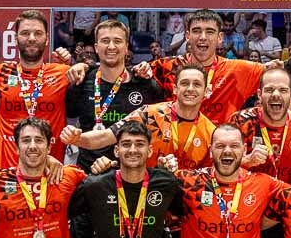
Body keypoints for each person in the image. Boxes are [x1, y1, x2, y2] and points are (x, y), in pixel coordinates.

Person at [138, 9, 291, 123]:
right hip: (173, 155)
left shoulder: (238, 70)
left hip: (219, 158)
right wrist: (141, 73)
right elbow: (125, 80)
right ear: (187, 36)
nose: (203, 37)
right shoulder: (165, 66)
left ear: (220, 38)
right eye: (196, 31)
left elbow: (290, 70)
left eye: (210, 32)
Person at [0, 10, 80, 165]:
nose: (31, 38)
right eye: (25, 33)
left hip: (50, 174)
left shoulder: (63, 73)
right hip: (7, 174)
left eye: (38, 33)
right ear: (16, 39)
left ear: (46, 39)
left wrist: (81, 65)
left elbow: (95, 76)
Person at [65, 63, 215, 171]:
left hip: (186, 205)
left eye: (196, 84)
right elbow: (105, 137)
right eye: (184, 83)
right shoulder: (150, 114)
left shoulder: (211, 133)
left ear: (207, 91)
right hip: (146, 198)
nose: (190, 89)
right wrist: (76, 139)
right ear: (175, 89)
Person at [61, 17, 164, 173]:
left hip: (131, 175)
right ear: (96, 47)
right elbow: (69, 123)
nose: (111, 46)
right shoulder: (80, 83)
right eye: (105, 41)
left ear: (126, 46)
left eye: (117, 41)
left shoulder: (146, 85)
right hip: (87, 174)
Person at [231, 68, 291, 184]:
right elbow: (220, 165)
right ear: (259, 95)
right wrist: (247, 160)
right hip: (250, 196)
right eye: (269, 90)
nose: (275, 95)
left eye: (283, 90)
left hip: (289, 197)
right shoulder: (240, 122)